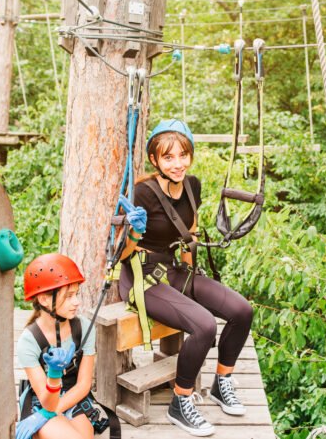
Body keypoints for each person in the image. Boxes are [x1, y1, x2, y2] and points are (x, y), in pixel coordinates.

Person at [118, 119, 254, 437]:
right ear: (155, 160)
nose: (177, 164)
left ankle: (222, 382)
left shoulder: (193, 185)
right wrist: (134, 231)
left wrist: (194, 280)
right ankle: (181, 401)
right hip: (142, 275)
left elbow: (189, 234)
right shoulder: (142, 192)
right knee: (204, 324)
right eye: (168, 157)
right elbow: (121, 256)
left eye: (183, 155)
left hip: (176, 270)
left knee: (241, 310)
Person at [15, 253, 98, 439]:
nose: (76, 302)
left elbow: (84, 384)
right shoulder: (29, 341)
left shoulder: (84, 328)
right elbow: (47, 401)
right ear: (44, 300)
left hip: (72, 396)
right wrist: (53, 374)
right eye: (68, 296)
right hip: (42, 400)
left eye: (76, 294)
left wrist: (46, 415)